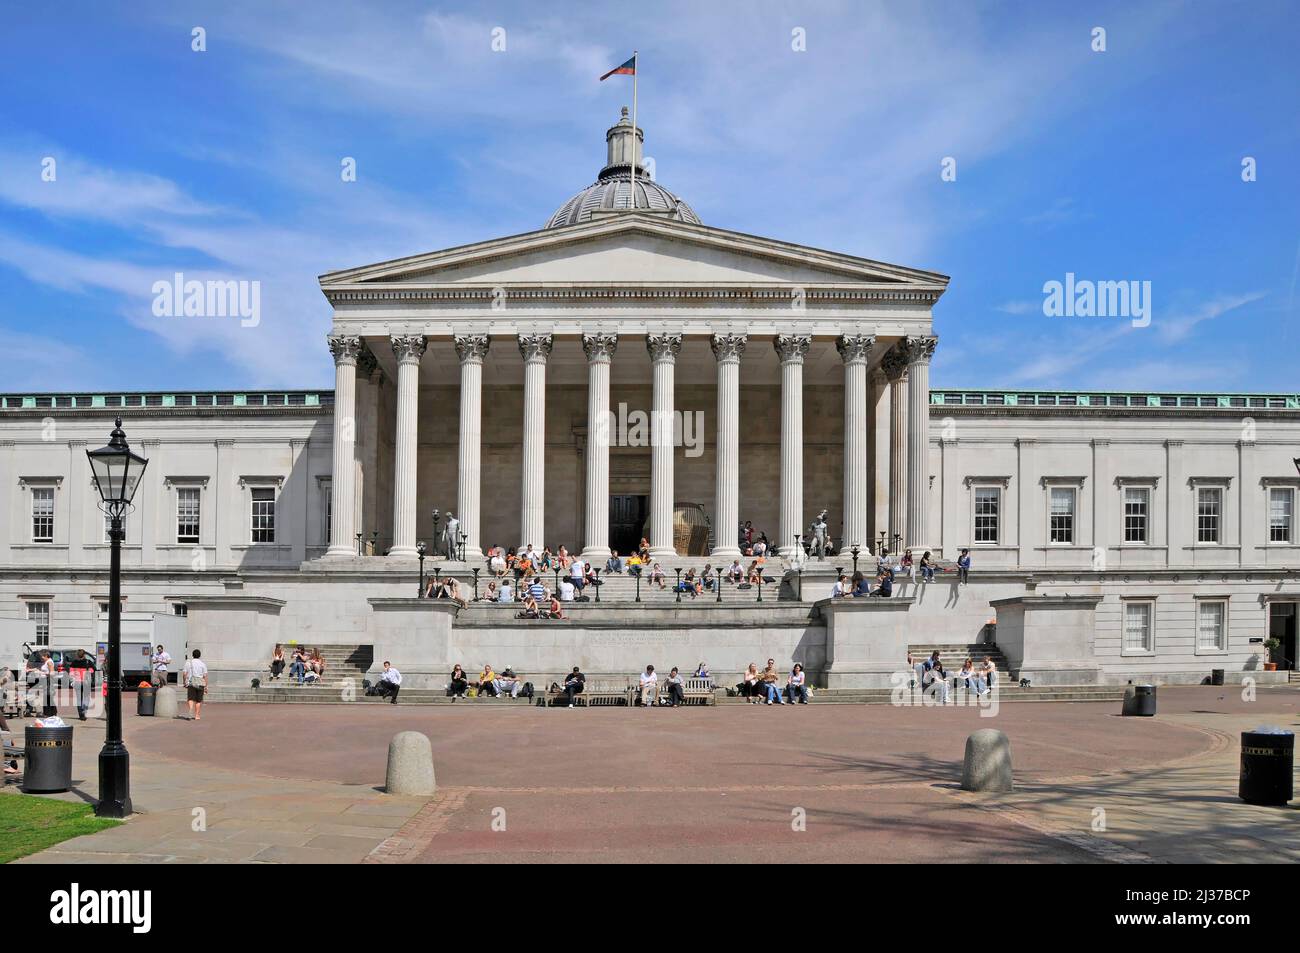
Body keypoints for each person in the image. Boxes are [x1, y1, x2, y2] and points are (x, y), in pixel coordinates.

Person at [68, 649, 95, 721]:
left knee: (79, 698)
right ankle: (84, 711)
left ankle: (81, 714)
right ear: (84, 655)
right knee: (86, 698)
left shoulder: (73, 662)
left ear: (77, 655)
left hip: (77, 682)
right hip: (86, 682)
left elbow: (71, 673)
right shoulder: (88, 662)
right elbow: (93, 671)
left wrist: (72, 681)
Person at [182, 649, 208, 720]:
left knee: (190, 698)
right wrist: (206, 686)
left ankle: (190, 708)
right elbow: (205, 676)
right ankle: (197, 715)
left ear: (192, 655)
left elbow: (184, 674)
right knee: (198, 700)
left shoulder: (188, 663)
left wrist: (184, 682)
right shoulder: (203, 664)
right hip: (200, 683)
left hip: (191, 682)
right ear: (200, 655)